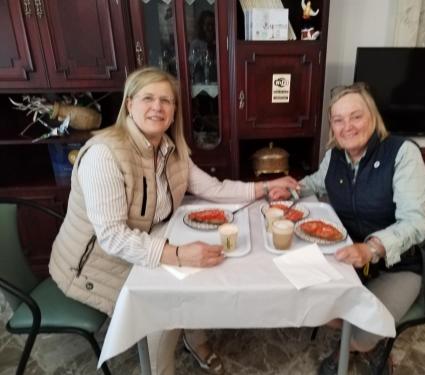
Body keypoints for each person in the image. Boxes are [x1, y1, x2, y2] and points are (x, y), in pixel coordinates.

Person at [48, 66, 299, 375]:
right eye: (148, 98)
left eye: (166, 100)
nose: (158, 107)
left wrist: (264, 187)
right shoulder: (104, 154)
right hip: (94, 264)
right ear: (129, 104)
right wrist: (178, 254)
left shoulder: (169, 148)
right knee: (162, 312)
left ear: (174, 110)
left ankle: (194, 339)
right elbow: (112, 237)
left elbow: (213, 189)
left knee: (206, 272)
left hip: (146, 243)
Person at [272, 82, 425, 374]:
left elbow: (416, 223)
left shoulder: (403, 153)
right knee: (298, 294)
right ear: (332, 126)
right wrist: (290, 191)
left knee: (364, 330)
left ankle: (357, 346)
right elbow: (314, 183)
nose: (348, 126)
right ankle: (354, 338)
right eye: (339, 119)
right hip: (345, 257)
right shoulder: (335, 156)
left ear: (372, 117)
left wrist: (371, 248)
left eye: (356, 116)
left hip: (397, 264)